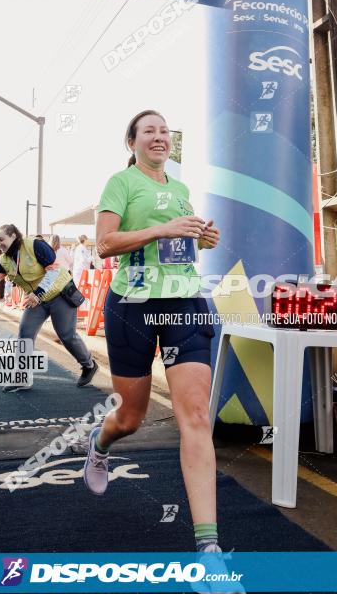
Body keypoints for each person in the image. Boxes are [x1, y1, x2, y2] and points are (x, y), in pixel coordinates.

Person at [83, 109, 221, 554]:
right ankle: (101, 442)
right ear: (133, 143)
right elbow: (105, 244)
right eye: (149, 131)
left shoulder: (180, 190)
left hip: (184, 302)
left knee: (196, 417)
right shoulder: (120, 183)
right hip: (133, 305)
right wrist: (162, 228)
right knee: (131, 418)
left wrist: (202, 238)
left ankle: (209, 549)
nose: (159, 137)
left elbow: (178, 245)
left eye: (164, 131)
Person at [0, 225, 98, 389]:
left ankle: (89, 365)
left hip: (59, 293)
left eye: (1, 239)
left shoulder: (34, 245)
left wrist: (38, 293)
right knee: (25, 333)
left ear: (13, 236)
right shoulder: (4, 260)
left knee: (66, 335)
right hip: (37, 300)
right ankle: (22, 377)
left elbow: (53, 270)